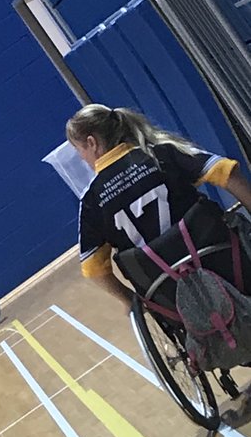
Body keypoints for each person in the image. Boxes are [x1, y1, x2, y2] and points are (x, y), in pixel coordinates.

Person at [67, 104, 251, 311]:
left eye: (79, 150)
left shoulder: (92, 200)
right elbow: (225, 171)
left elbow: (94, 270)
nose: (82, 158)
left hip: (172, 300)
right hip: (228, 265)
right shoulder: (159, 153)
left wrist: (130, 301)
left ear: (91, 143)